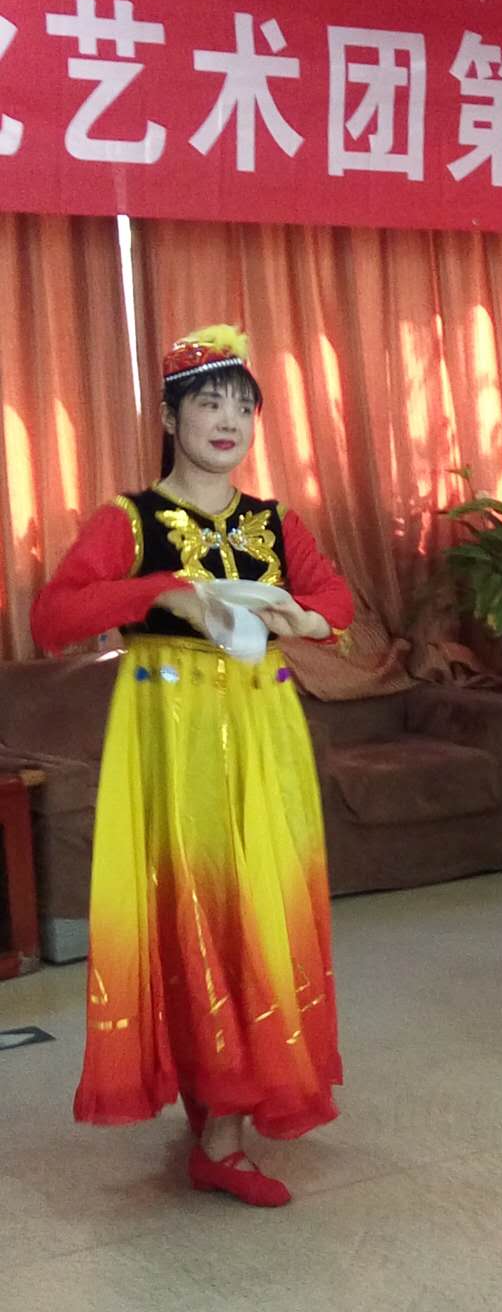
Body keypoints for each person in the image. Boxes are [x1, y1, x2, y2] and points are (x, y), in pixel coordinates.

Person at [31, 324, 354, 1207]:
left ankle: (224, 1116)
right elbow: (54, 617)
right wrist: (167, 591)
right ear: (171, 419)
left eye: (243, 408)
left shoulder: (274, 522)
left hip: (263, 735)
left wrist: (302, 617)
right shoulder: (128, 519)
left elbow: (336, 599)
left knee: (260, 911)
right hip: (172, 742)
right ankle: (218, 1123)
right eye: (209, 404)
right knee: (193, 915)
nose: (229, 422)